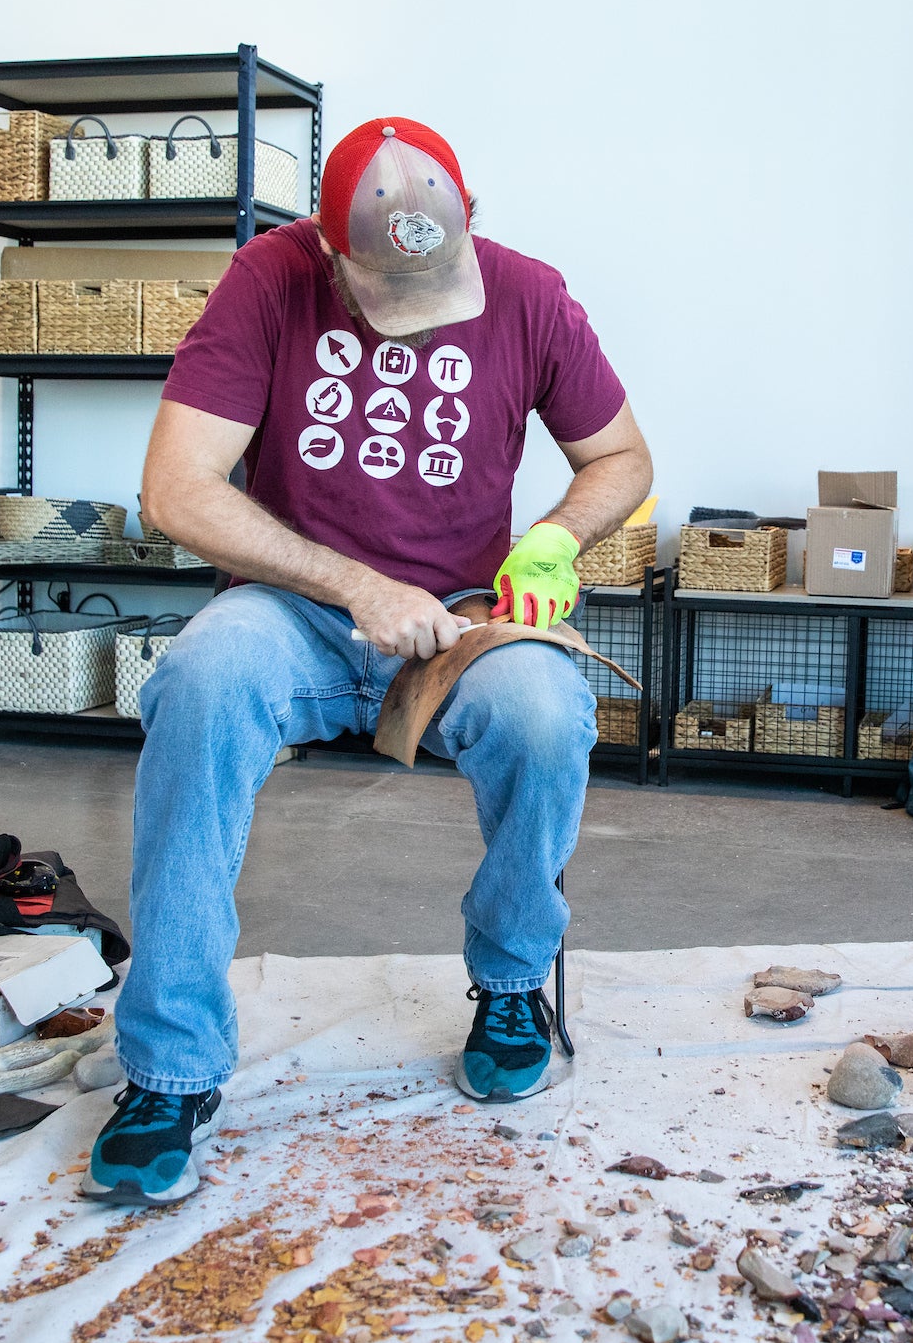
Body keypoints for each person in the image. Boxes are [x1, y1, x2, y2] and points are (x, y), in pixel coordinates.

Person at [82, 117, 653, 1205]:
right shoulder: (266, 280)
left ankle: (513, 982)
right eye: (380, 296)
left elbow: (621, 456)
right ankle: (170, 1069)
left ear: (470, 223)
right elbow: (178, 491)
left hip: (459, 624)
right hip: (293, 611)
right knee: (199, 685)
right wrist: (352, 585)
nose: (406, 325)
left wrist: (554, 536)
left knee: (547, 711)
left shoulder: (528, 294)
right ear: (328, 246)